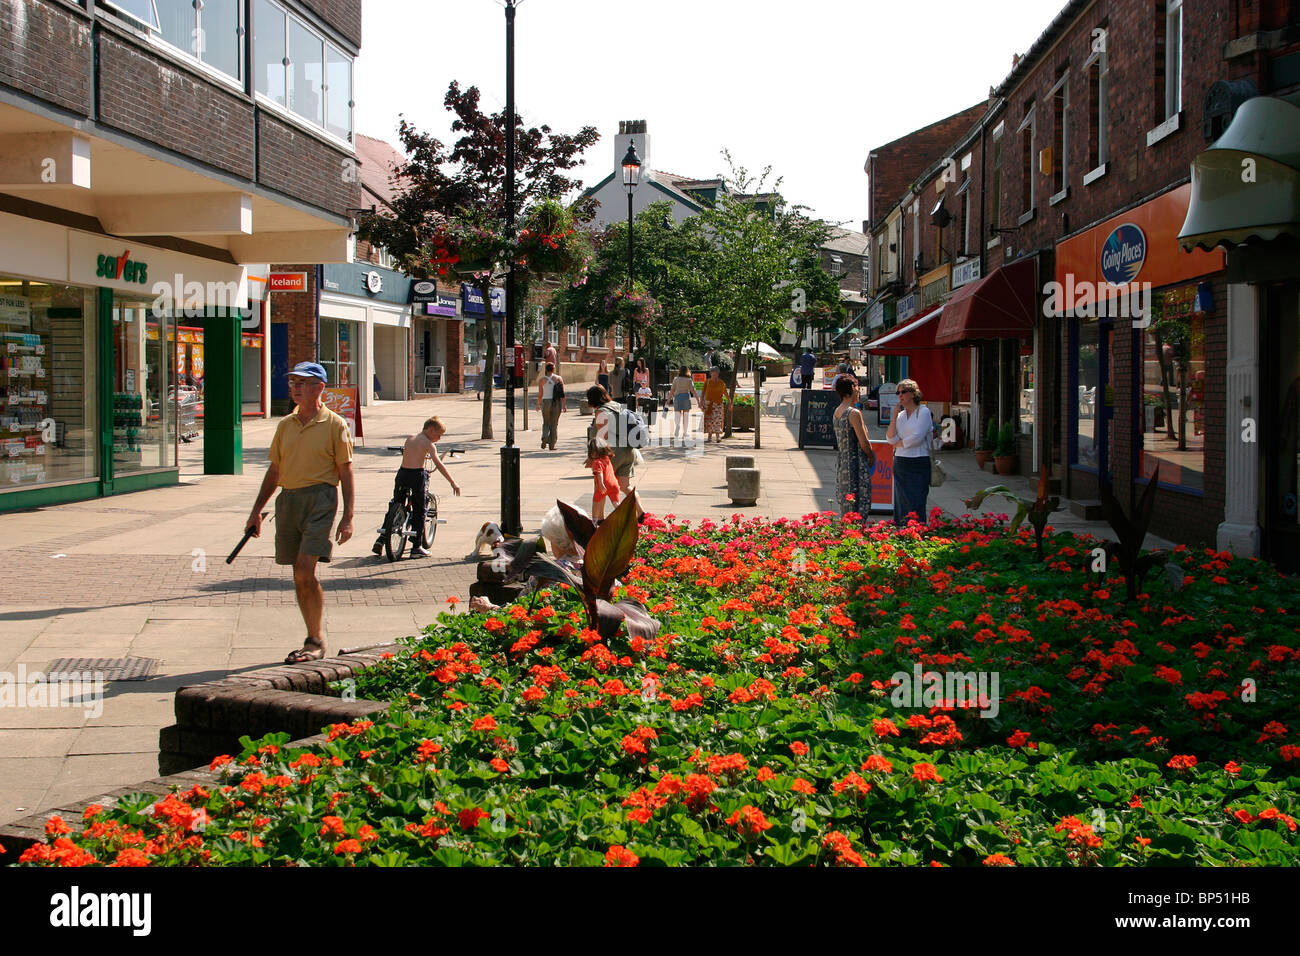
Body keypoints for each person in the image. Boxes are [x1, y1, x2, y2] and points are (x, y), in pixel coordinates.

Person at [245, 362, 354, 664]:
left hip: (321, 499)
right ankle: (313, 636)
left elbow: (345, 471)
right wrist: (256, 512)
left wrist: (348, 517)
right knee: (298, 574)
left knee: (306, 569)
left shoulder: (335, 424)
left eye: (303, 383)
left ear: (320, 387)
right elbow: (275, 470)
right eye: (293, 382)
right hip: (288, 500)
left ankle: (315, 641)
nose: (295, 388)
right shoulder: (285, 425)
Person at [372, 417, 461, 558]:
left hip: (402, 474)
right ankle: (416, 547)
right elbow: (438, 464)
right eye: (439, 435)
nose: (439, 438)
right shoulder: (428, 444)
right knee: (420, 509)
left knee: (396, 503)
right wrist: (453, 482)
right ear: (430, 429)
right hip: (416, 476)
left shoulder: (410, 438)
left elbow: (413, 454)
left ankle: (382, 538)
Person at [886, 377, 933, 526]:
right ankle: (902, 528)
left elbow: (917, 437)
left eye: (903, 392)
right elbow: (890, 438)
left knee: (917, 499)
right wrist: (894, 416)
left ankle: (918, 529)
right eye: (898, 393)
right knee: (901, 499)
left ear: (913, 393)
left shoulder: (923, 412)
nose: (900, 395)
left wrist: (899, 443)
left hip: (919, 460)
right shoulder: (900, 416)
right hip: (901, 461)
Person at [833, 375, 875, 521]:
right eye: (857, 388)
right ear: (852, 388)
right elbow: (864, 442)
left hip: (842, 465)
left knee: (846, 507)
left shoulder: (837, 411)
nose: (859, 392)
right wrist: (871, 456)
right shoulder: (853, 413)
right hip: (856, 466)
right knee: (859, 507)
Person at [588, 384, 635, 496]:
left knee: (600, 489)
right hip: (628, 449)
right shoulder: (616, 405)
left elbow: (602, 438)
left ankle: (600, 510)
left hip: (613, 452)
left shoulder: (601, 411)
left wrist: (593, 456)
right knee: (625, 486)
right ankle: (640, 508)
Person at [584, 435, 621, 521]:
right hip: (614, 484)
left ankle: (594, 521)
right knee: (616, 503)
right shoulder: (607, 458)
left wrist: (601, 484)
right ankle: (625, 517)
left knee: (596, 502)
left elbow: (599, 473)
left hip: (603, 484)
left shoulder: (597, 462)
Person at [537, 361, 565, 450]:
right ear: (553, 369)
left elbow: (540, 394)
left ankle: (545, 436)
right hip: (556, 402)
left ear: (546, 369)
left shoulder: (542, 380)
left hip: (546, 402)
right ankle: (552, 445)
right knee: (554, 424)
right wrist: (564, 405)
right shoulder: (559, 378)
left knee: (546, 422)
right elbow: (562, 393)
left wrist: (538, 404)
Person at [700, 366, 727, 443]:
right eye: (713, 373)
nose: (715, 374)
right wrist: (701, 402)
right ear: (711, 373)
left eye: (716, 373)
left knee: (717, 420)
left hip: (718, 404)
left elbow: (725, 392)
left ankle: (718, 437)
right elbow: (703, 392)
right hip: (709, 404)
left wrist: (730, 401)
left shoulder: (721, 383)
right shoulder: (707, 382)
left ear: (718, 373)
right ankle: (709, 436)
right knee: (709, 421)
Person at [669, 365, 695, 443]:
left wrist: (668, 400)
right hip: (686, 398)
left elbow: (672, 390)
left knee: (677, 415)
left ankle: (677, 427)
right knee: (686, 416)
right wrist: (698, 399)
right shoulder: (689, 380)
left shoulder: (676, 379)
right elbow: (692, 390)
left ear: (679, 371)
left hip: (677, 398)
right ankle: (685, 432)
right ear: (687, 371)